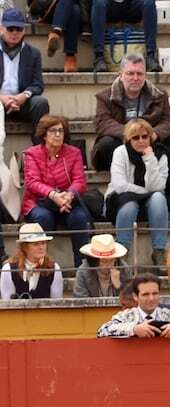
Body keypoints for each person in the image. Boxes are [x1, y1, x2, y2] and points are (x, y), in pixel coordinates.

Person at [22, 116, 91, 267]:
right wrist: (53, 195)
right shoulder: (31, 154)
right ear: (44, 134)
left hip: (67, 202)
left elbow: (79, 181)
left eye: (61, 131)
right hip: (39, 202)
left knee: (79, 218)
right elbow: (32, 182)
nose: (58, 135)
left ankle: (83, 269)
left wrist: (69, 195)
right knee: (43, 218)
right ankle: (41, 265)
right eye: (53, 131)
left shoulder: (74, 153)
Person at [92, 54, 170, 172]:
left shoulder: (160, 94)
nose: (135, 78)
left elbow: (168, 122)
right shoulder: (105, 96)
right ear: (121, 75)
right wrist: (132, 134)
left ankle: (163, 190)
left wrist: (152, 134)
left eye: (139, 73)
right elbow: (103, 123)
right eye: (130, 73)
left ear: (145, 76)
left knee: (165, 152)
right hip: (120, 141)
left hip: (148, 142)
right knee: (105, 145)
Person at [106, 118, 170, 268]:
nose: (141, 141)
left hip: (149, 204)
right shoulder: (120, 152)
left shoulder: (161, 154)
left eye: (145, 136)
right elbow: (120, 186)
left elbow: (158, 186)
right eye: (135, 137)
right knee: (130, 204)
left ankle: (159, 251)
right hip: (120, 201)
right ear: (128, 140)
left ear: (151, 137)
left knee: (158, 198)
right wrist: (145, 192)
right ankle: (122, 251)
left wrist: (149, 158)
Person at [96, 275, 170, 338]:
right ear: (135, 297)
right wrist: (134, 329)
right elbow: (102, 331)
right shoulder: (127, 316)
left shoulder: (169, 314)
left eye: (155, 294)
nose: (151, 299)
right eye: (145, 294)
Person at [0, 11, 49, 141]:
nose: (15, 33)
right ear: (1, 29)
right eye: (10, 29)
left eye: (19, 29)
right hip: (0, 99)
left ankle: (39, 151)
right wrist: (2, 98)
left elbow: (38, 84)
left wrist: (23, 96)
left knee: (40, 103)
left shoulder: (33, 53)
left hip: (22, 102)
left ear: (24, 31)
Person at [91, 0, 161, 73]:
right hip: (109, 6)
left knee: (149, 2)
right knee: (98, 3)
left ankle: (151, 56)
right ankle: (99, 57)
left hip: (132, 6)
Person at [1, 224, 62, 300]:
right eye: (36, 244)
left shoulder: (54, 268)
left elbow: (57, 304)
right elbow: (8, 305)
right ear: (25, 247)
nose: (41, 247)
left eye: (43, 243)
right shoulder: (9, 269)